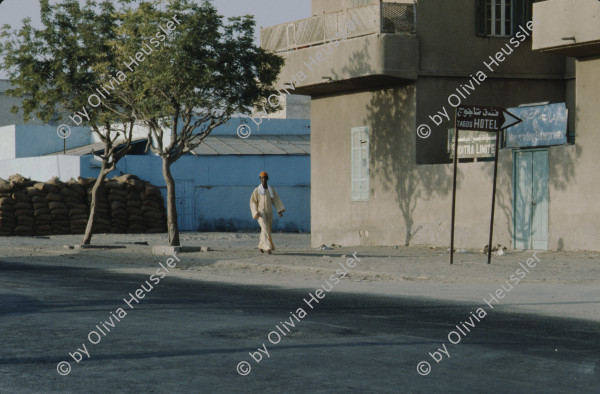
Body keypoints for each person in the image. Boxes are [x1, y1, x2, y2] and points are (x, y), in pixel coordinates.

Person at [250, 171, 285, 254]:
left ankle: (260, 245)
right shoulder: (257, 190)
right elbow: (253, 202)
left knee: (267, 229)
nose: (264, 180)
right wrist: (255, 211)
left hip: (269, 212)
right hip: (260, 212)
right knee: (265, 228)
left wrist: (279, 210)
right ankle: (267, 247)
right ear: (260, 179)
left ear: (267, 179)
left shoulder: (271, 189)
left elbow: (275, 200)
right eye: (262, 178)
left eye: (265, 178)